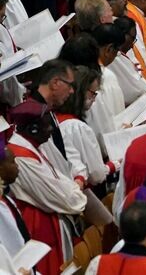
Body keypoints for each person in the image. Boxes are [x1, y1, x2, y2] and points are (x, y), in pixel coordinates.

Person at [8, 101, 88, 274]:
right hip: (39, 229)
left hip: (49, 223)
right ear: (33, 129)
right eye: (47, 124)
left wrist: (73, 188)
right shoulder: (21, 157)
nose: (52, 129)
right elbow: (68, 200)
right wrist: (76, 189)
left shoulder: (31, 146)